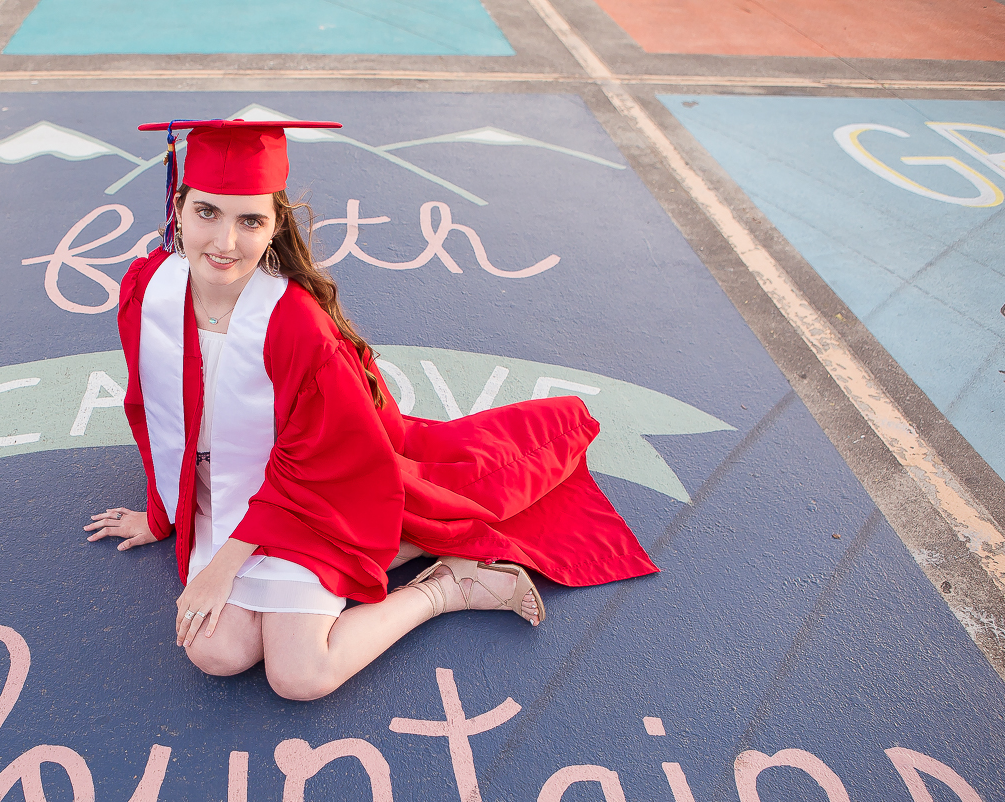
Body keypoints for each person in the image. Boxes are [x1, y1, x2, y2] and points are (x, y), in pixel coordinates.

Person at [85, 118, 657, 701]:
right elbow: (152, 411)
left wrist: (223, 567)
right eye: (208, 212)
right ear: (178, 206)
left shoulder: (297, 327)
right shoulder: (148, 290)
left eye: (250, 220)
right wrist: (162, 515)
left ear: (275, 224)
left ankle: (449, 588)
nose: (225, 242)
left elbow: (314, 465)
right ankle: (390, 551)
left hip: (306, 499)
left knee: (298, 676)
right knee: (215, 651)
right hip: (223, 497)